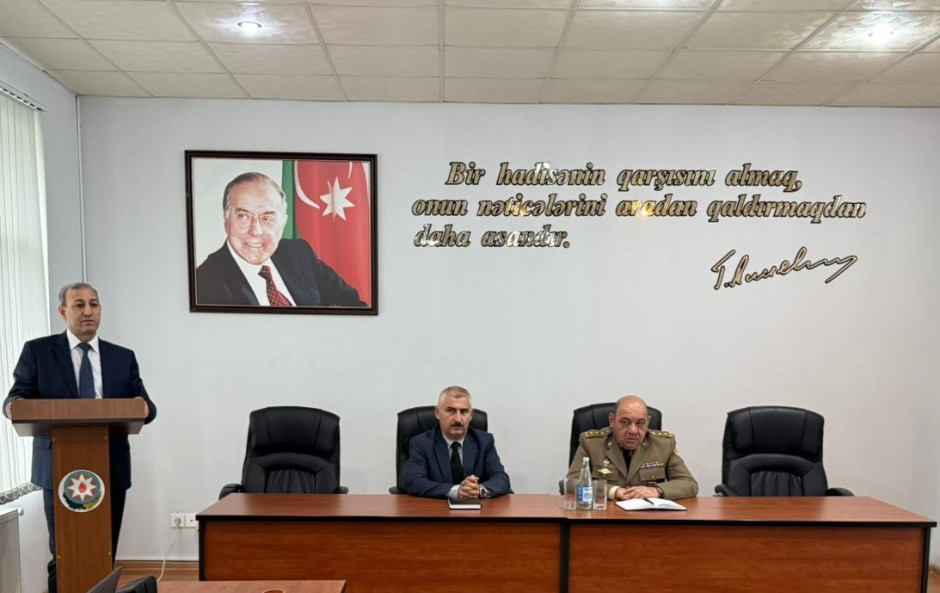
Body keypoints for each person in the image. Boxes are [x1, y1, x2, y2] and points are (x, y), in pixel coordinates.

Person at [2, 283, 157, 593]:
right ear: (63, 311)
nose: (88, 311)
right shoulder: (39, 352)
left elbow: (146, 408)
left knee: (104, 551)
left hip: (110, 468)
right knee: (63, 552)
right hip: (58, 468)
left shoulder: (122, 357)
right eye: (79, 305)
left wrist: (141, 407)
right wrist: (16, 407)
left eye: (94, 304)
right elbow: (15, 400)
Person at [195, 172, 365, 307]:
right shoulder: (204, 283)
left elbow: (355, 306)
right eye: (243, 216)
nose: (256, 231)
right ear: (226, 221)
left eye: (267, 218)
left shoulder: (299, 253)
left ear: (283, 222)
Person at [567, 395, 697, 501]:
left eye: (640, 423)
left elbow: (689, 484)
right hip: (604, 517)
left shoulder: (663, 444)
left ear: (648, 422)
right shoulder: (592, 443)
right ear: (612, 420)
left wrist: (657, 491)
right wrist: (613, 491)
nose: (633, 430)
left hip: (647, 518)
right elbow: (571, 482)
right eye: (625, 422)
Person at [401, 386, 511, 500]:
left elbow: (501, 478)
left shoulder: (484, 441)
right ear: (437, 412)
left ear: (471, 415)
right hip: (436, 508)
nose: (458, 419)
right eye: (450, 411)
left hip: (476, 509)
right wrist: (456, 491)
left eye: (464, 411)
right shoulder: (421, 443)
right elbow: (414, 482)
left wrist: (478, 490)